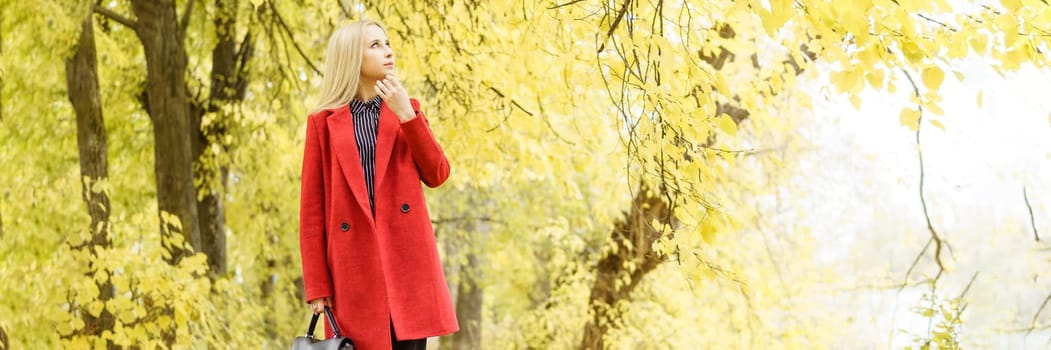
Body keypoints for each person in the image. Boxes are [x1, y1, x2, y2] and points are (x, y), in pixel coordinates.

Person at [298, 19, 458, 350]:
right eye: (375, 45)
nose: (388, 51)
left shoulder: (406, 109)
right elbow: (312, 209)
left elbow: (438, 173)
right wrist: (317, 284)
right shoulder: (323, 123)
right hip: (352, 268)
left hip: (406, 263)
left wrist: (407, 118)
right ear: (350, 58)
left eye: (387, 43)